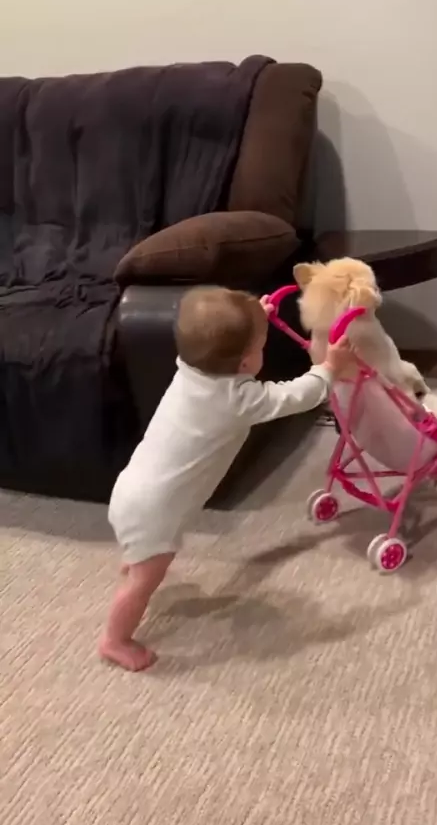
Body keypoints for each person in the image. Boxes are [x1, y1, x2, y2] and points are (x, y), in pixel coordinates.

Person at [99, 286, 352, 671]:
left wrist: (255, 320)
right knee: (144, 582)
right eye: (261, 345)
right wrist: (329, 368)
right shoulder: (238, 400)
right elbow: (296, 396)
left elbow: (223, 344)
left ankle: (136, 556)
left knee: (143, 553)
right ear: (246, 362)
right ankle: (114, 640)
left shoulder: (188, 368)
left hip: (132, 491)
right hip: (154, 512)